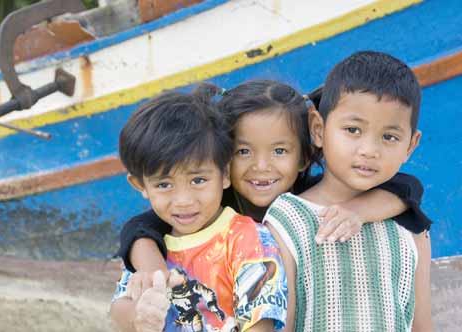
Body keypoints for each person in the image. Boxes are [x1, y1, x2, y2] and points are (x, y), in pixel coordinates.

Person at [264, 51, 432, 331]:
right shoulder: (287, 221)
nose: (369, 150)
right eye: (353, 130)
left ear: (410, 146)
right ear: (318, 129)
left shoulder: (412, 231)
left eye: (389, 137)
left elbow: (421, 325)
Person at [110, 89, 288, 332]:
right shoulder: (150, 248)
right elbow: (119, 308)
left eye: (198, 180)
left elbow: (261, 324)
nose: (183, 200)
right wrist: (139, 316)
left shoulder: (246, 240)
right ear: (141, 185)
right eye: (164, 185)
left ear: (225, 174)